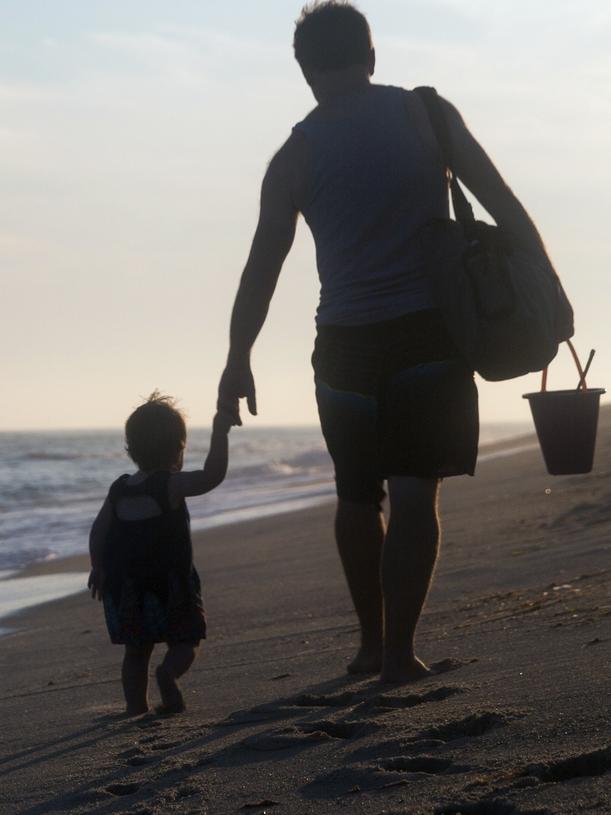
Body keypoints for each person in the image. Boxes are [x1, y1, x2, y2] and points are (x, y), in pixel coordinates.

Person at [217, 2, 550, 682]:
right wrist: (544, 289)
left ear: (305, 72)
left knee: (353, 495)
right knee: (413, 497)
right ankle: (399, 654)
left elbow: (262, 267)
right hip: (429, 332)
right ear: (370, 56)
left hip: (342, 346)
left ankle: (369, 645)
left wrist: (236, 359)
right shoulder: (426, 115)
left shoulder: (292, 156)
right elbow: (502, 203)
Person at [88, 392, 232, 714]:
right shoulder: (170, 484)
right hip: (171, 585)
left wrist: (98, 567)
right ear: (179, 448)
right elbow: (213, 476)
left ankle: (135, 708)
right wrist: (220, 433)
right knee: (185, 640)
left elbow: (98, 532)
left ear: (130, 449)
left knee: (135, 651)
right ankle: (168, 674)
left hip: (128, 589)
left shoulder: (119, 489)